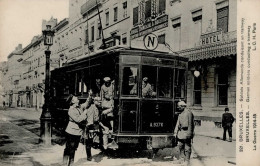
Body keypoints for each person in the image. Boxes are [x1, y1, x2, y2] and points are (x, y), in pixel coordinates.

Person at [63, 93, 92, 166]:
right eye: (76, 98)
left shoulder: (79, 107)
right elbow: (78, 119)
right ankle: (67, 163)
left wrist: (90, 96)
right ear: (72, 101)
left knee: (74, 148)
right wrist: (84, 113)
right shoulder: (71, 110)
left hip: (78, 132)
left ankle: (69, 162)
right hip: (71, 132)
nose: (77, 98)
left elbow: (86, 104)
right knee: (70, 148)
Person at [173, 101, 195, 165]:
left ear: (183, 106)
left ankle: (187, 161)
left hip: (186, 132)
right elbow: (177, 123)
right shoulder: (180, 113)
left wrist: (189, 133)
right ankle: (182, 159)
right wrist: (175, 132)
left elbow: (191, 124)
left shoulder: (189, 113)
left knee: (187, 147)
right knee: (180, 146)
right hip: (181, 132)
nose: (178, 108)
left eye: (179, 106)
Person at [82, 95, 100, 161]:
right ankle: (89, 157)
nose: (99, 103)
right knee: (89, 142)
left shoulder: (96, 107)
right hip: (90, 126)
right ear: (94, 101)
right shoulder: (91, 107)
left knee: (91, 141)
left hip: (93, 126)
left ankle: (89, 156)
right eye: (98, 101)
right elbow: (91, 118)